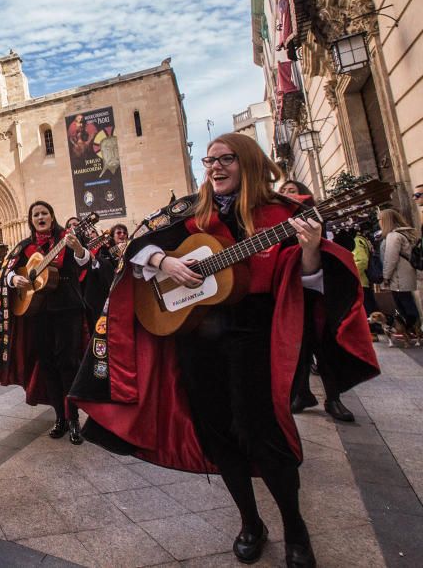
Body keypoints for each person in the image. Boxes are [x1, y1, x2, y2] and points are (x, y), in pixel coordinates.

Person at [70, 133, 379, 568]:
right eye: (209, 160)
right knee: (217, 433)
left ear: (248, 162)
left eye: (225, 159)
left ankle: (295, 527)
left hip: (256, 336)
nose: (214, 167)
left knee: (263, 434)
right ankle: (250, 522)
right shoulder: (194, 213)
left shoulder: (283, 214)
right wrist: (167, 263)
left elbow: (309, 282)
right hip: (197, 340)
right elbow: (138, 245)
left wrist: (310, 251)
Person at [0, 201, 102, 445]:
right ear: (31, 219)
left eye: (44, 212)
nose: (40, 216)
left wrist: (78, 249)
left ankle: (74, 418)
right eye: (35, 214)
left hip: (67, 307)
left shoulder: (67, 238)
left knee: (68, 362)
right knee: (47, 364)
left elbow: (86, 263)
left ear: (52, 215)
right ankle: (60, 417)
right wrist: (16, 280)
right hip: (37, 312)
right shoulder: (25, 246)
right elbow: (7, 272)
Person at [279, 182, 356, 422]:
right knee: (298, 348)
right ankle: (302, 394)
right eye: (284, 191)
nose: (288, 194)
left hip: (318, 293)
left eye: (292, 190)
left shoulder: (317, 217)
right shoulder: (279, 220)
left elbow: (342, 248)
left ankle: (334, 398)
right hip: (290, 293)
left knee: (324, 346)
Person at [379, 208, 421, 341]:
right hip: (405, 274)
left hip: (398, 277)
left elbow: (390, 258)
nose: (379, 222)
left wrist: (386, 277)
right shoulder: (403, 234)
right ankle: (414, 329)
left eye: (380, 219)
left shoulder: (393, 236)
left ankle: (413, 330)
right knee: (407, 302)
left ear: (386, 221)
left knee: (404, 304)